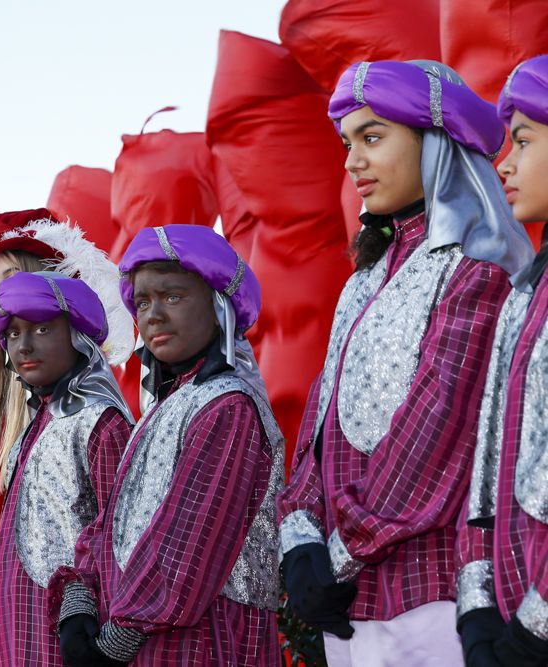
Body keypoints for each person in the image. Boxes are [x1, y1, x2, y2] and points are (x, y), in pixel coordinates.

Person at [277, 59, 534, 667]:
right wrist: (300, 540)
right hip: (347, 607)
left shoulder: (480, 268)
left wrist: (336, 555)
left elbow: (435, 436)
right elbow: (318, 429)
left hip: (437, 599)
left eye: (372, 137)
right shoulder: (361, 282)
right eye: (348, 143)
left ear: (436, 143)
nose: (352, 162)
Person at [48, 224, 284, 666]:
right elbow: (108, 525)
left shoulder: (228, 407)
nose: (152, 315)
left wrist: (113, 642)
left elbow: (189, 546)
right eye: (142, 302)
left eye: (173, 296)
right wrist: (78, 605)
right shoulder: (161, 409)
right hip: (143, 641)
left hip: (205, 645)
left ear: (218, 305)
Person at [0, 209, 132, 666]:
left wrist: (80, 613)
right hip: (6, 624)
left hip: (62, 629)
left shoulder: (91, 414)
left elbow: (110, 530)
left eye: (10, 277)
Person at [0, 271, 132, 666]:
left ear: (78, 336)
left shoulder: (101, 422)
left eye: (42, 328)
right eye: (12, 333)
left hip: (66, 634)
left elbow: (121, 540)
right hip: (18, 629)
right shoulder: (35, 425)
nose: (24, 345)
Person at [456, 55, 548, 667]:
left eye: (525, 140)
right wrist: (478, 610)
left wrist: (535, 629)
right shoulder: (524, 295)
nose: (505, 164)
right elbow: (486, 465)